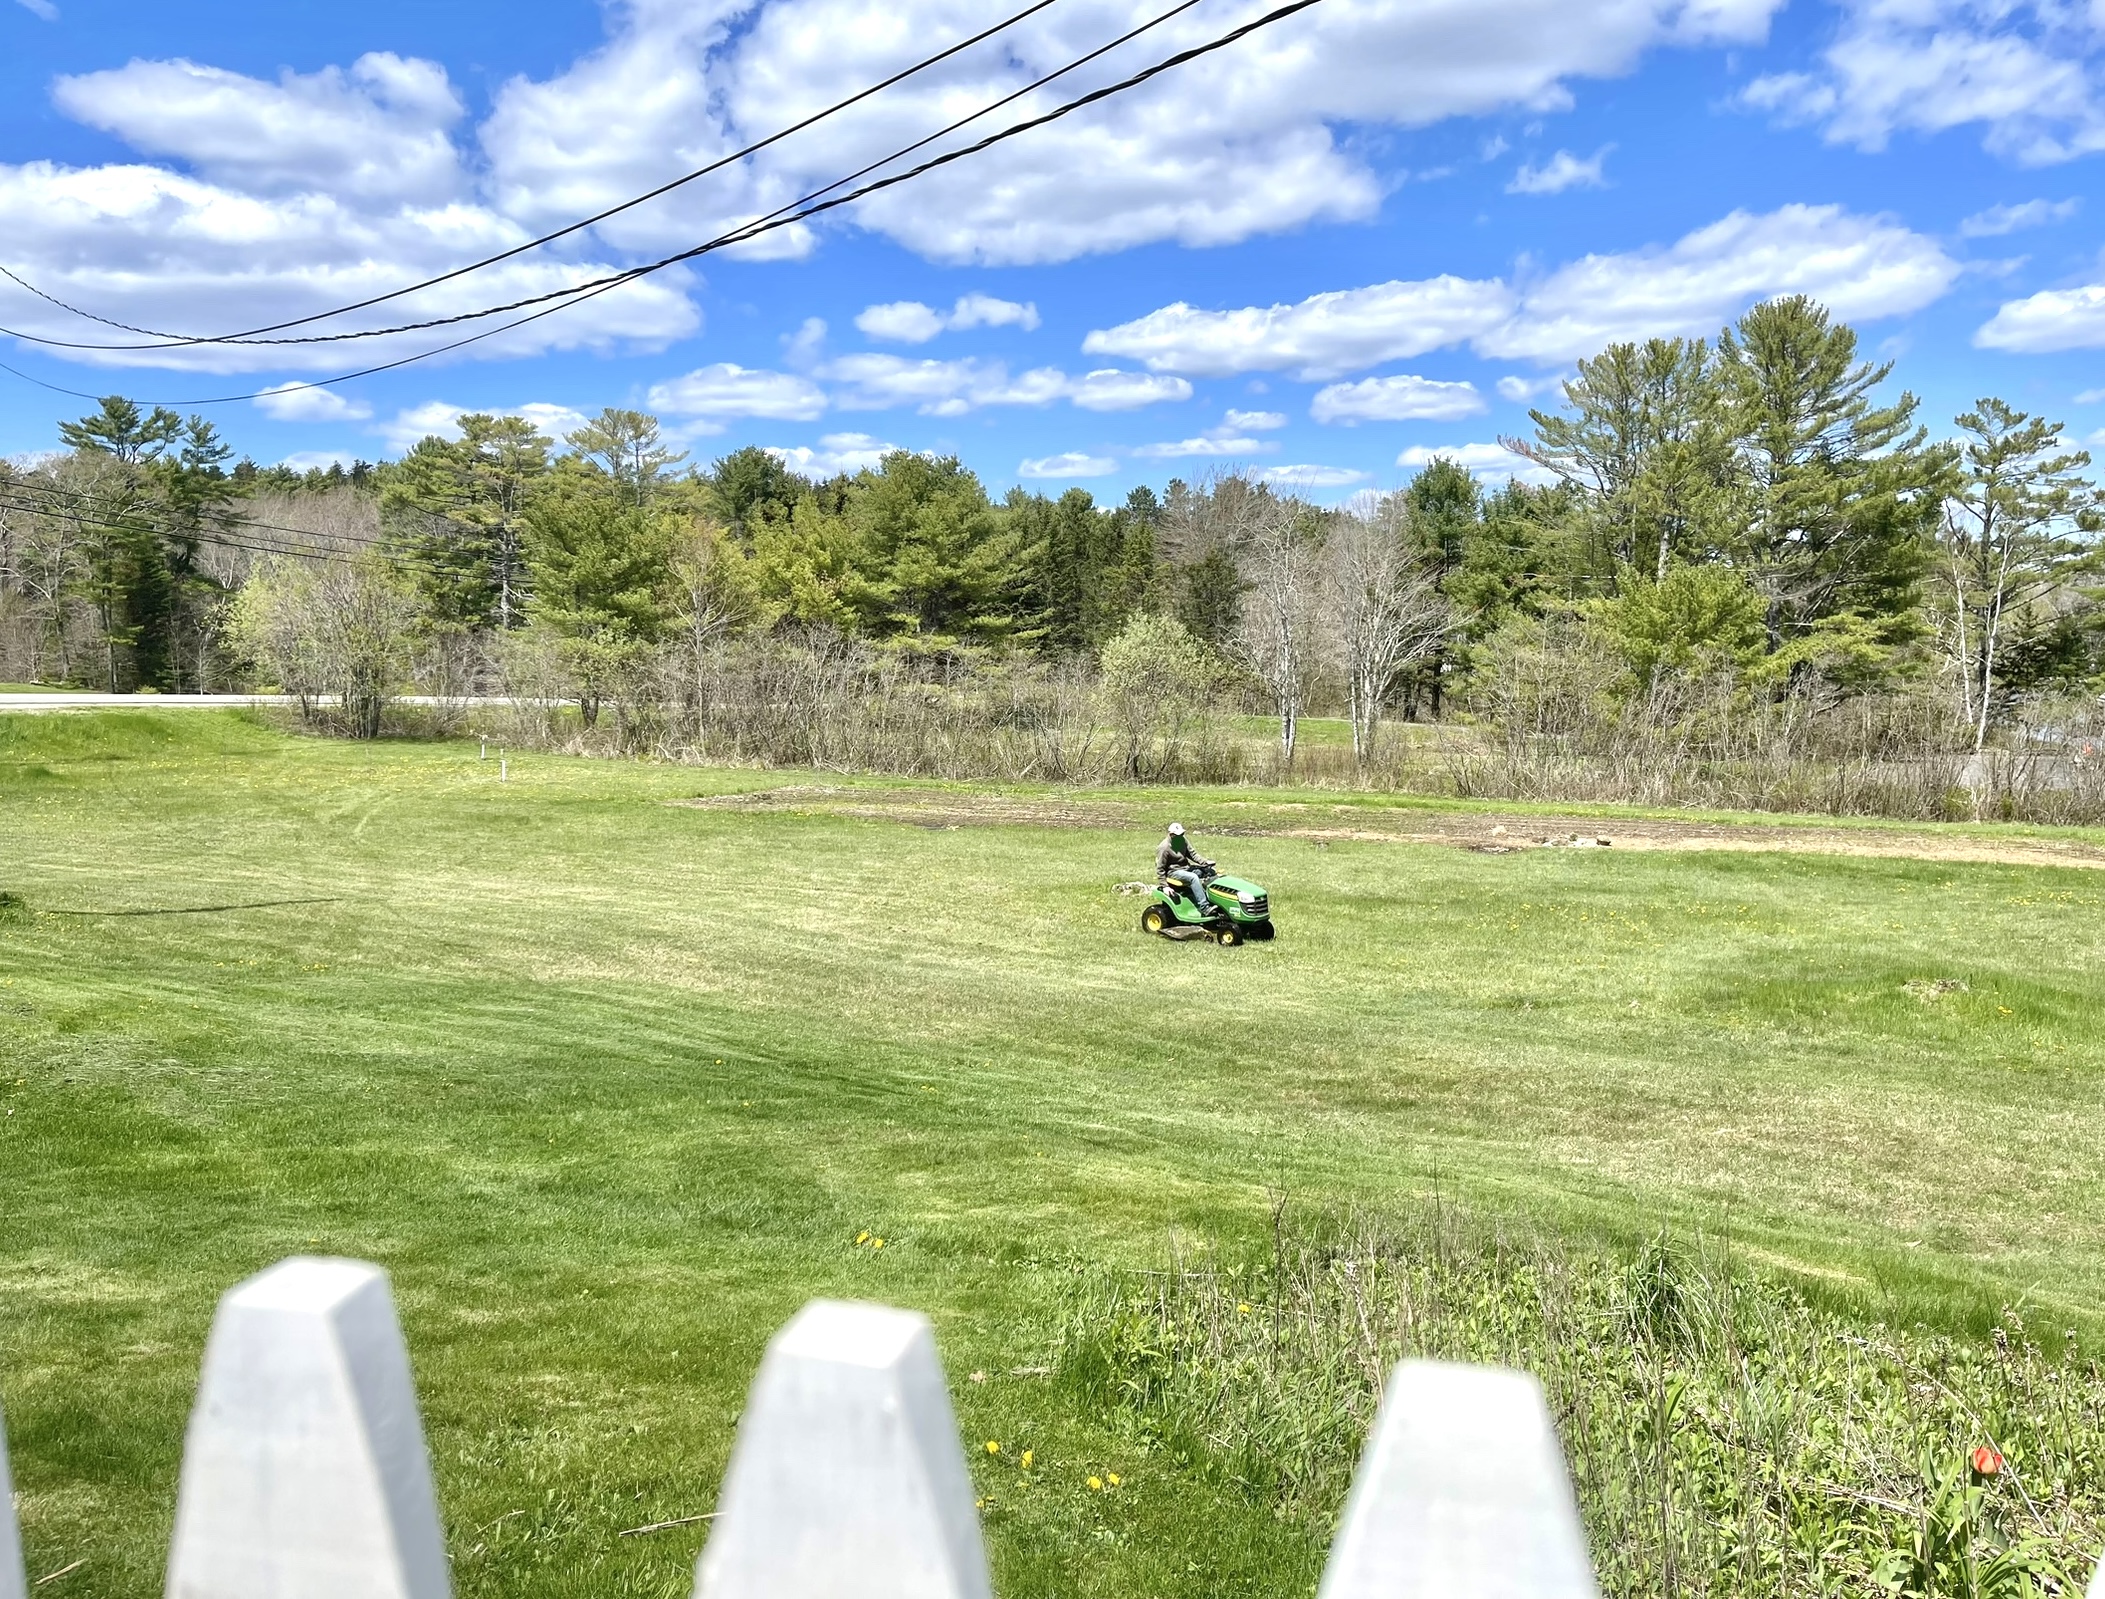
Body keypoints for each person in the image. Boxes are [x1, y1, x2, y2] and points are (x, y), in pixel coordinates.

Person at [1155, 822, 1215, 917]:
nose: (1182, 836)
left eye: (1182, 834)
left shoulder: (1181, 840)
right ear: (1171, 835)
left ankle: (1212, 900)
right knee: (1193, 878)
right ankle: (1205, 908)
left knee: (1209, 872)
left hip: (1186, 868)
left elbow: (1192, 854)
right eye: (1179, 834)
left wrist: (1205, 863)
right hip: (1173, 872)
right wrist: (1164, 886)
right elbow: (1160, 869)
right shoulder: (1164, 848)